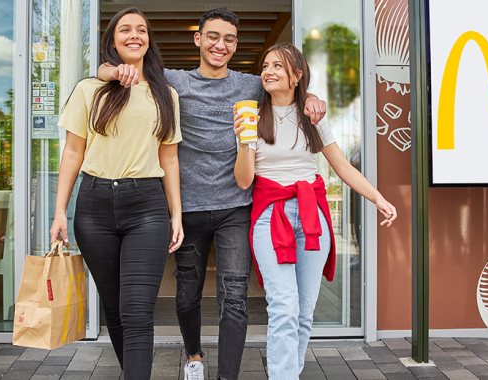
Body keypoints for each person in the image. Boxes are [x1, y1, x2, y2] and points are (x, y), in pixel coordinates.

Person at [98, 8, 326, 380]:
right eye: (214, 37)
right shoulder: (174, 82)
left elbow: (285, 84)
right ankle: (195, 357)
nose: (221, 45)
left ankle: (228, 375)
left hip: (235, 207)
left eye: (230, 39)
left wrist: (312, 95)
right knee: (187, 293)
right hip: (187, 207)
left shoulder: (250, 85)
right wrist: (109, 70)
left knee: (234, 296)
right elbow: (119, 71)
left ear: (235, 45)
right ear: (198, 40)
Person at [233, 42, 397, 379]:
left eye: (278, 66)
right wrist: (245, 143)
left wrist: (378, 198)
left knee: (304, 310)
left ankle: (290, 371)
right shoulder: (251, 117)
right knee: (283, 306)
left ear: (296, 75)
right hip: (270, 217)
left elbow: (343, 168)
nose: (268, 71)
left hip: (311, 217)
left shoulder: (312, 116)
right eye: (265, 66)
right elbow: (244, 180)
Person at [50, 7, 183, 380]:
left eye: (141, 29)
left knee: (137, 310)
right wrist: (60, 211)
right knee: (114, 308)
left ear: (148, 41)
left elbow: (169, 159)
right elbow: (73, 153)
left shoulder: (165, 94)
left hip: (147, 207)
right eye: (125, 29)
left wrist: (176, 213)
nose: (134, 35)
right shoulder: (89, 89)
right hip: (93, 208)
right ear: (112, 40)